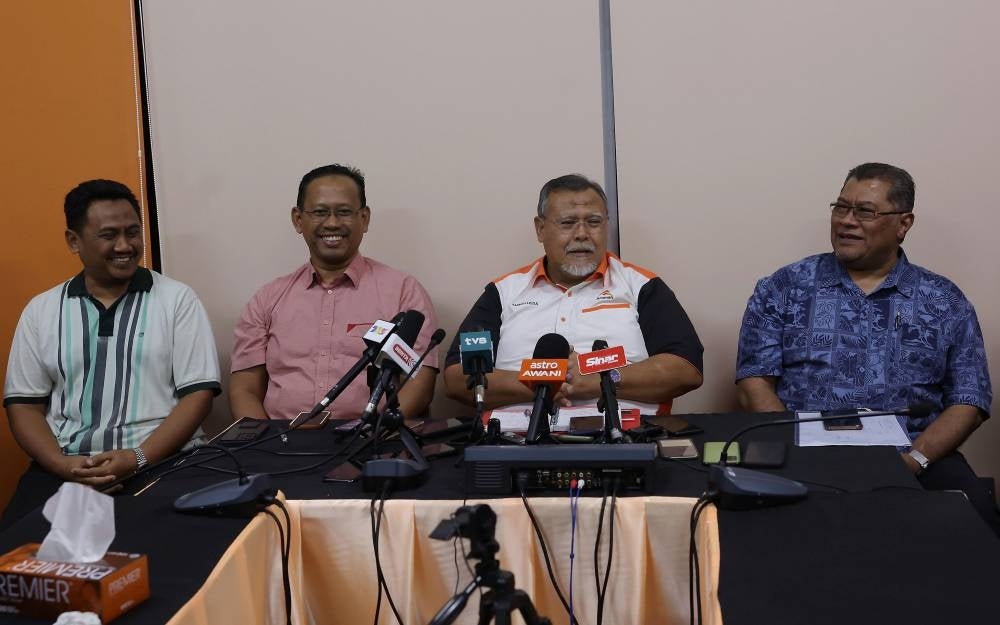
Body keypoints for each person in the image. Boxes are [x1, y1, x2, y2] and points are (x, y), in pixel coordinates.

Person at [736, 162, 997, 532]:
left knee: (977, 526)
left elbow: (969, 400)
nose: (847, 221)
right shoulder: (783, 288)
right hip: (804, 454)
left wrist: (913, 461)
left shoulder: (943, 301)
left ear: (903, 224)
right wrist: (794, 453)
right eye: (841, 208)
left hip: (914, 456)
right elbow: (754, 383)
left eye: (865, 211)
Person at [3, 179, 220, 488]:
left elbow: (198, 396)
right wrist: (63, 465)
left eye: (132, 232)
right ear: (73, 241)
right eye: (109, 235)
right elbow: (24, 406)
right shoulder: (42, 310)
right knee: (23, 537)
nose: (125, 246)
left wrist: (138, 458)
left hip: (164, 463)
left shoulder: (177, 300)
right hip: (67, 466)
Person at [443, 173, 703, 417]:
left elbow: (686, 369)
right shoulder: (503, 292)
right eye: (567, 223)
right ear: (540, 229)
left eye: (593, 222)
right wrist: (543, 384)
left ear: (607, 226)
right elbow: (456, 377)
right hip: (515, 442)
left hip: (627, 438)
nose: (582, 234)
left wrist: (605, 379)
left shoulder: (642, 286)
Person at [230, 164, 438, 422]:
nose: (332, 223)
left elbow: (420, 382)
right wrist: (268, 447)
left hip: (371, 445)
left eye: (344, 212)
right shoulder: (267, 299)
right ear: (298, 219)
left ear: (364, 219)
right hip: (284, 446)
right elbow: (244, 389)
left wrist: (373, 434)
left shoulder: (403, 292)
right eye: (319, 212)